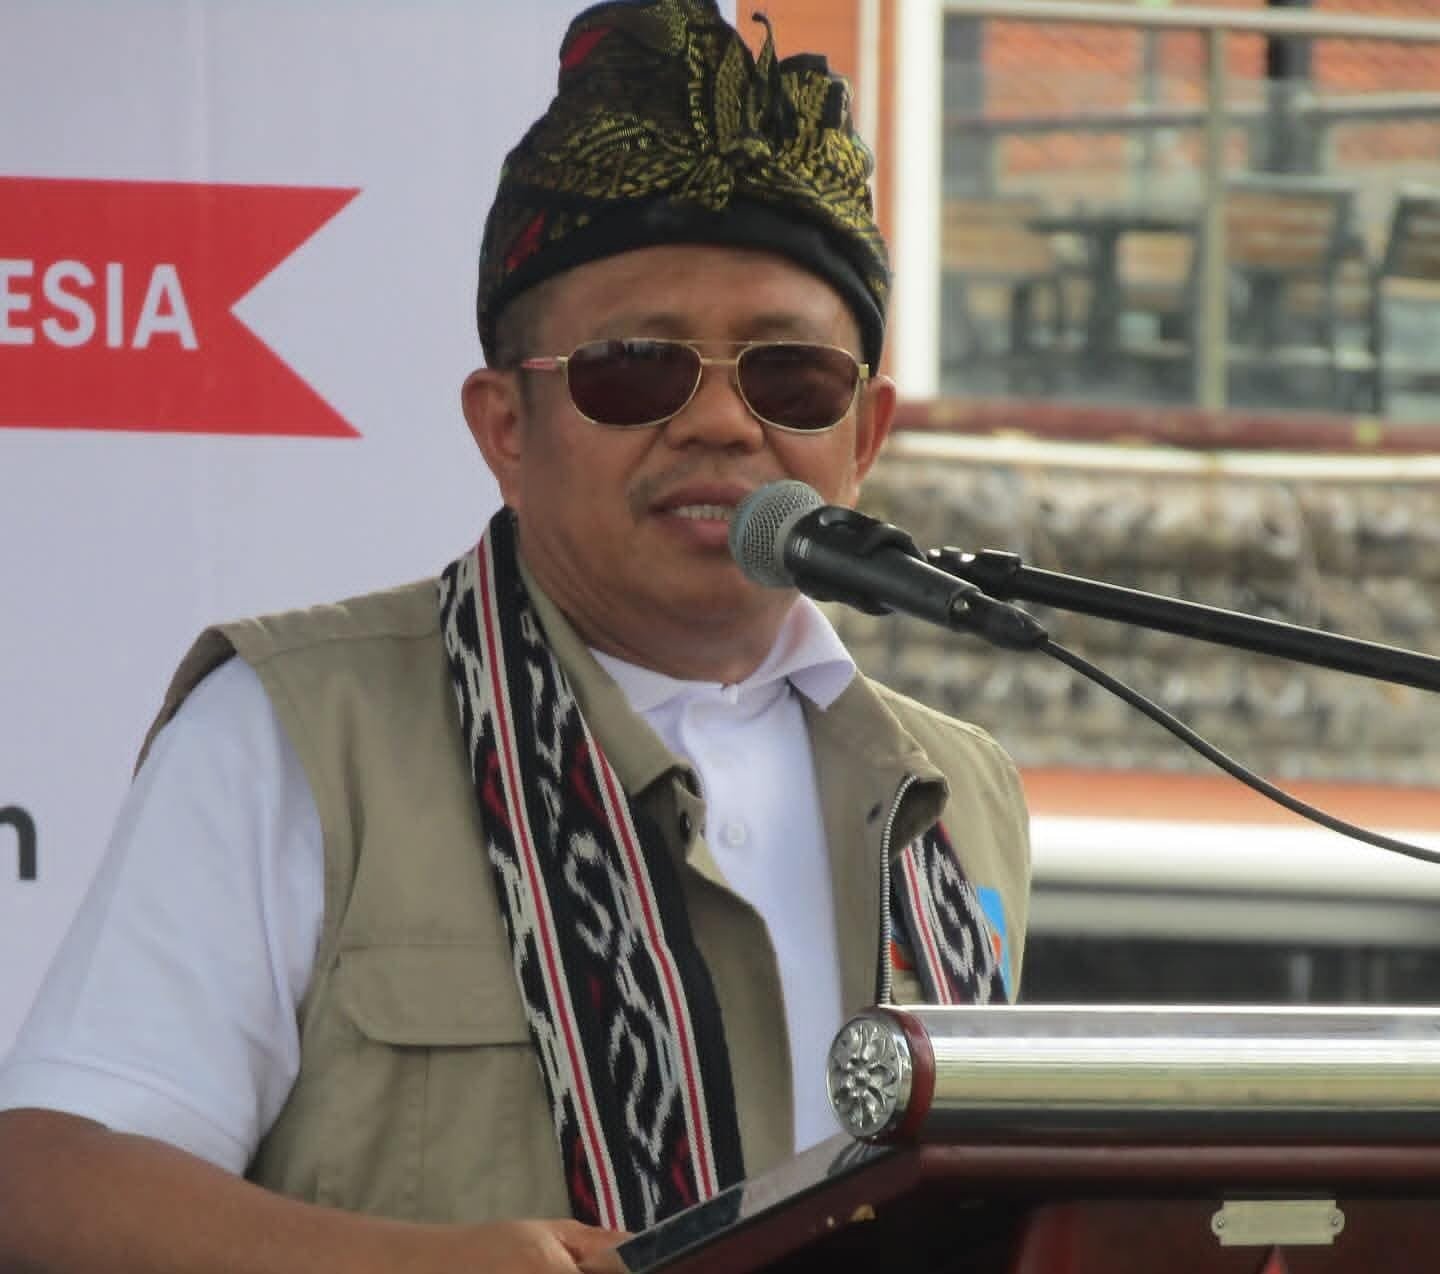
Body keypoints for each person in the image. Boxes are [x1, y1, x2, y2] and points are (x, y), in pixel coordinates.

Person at [0, 2, 1030, 1271]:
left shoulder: (955, 792)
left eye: (790, 379)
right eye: (636, 368)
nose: (722, 423)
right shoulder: (303, 730)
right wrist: (414, 1267)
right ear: (504, 428)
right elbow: (47, 1185)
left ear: (862, 436)